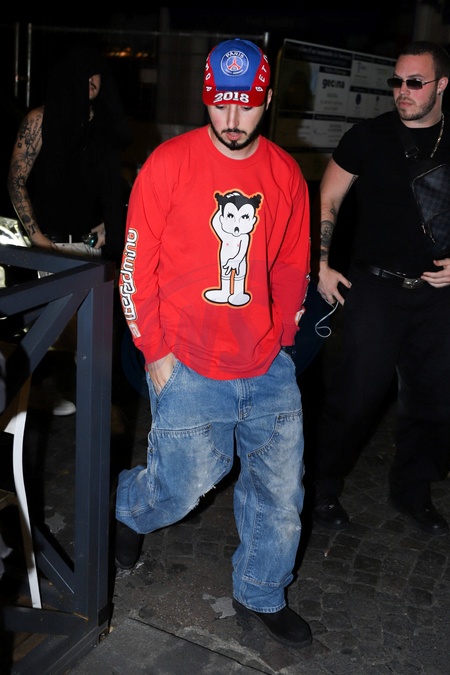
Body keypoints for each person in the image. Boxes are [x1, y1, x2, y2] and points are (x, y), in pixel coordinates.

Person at [115, 39, 312, 649]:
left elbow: (292, 264)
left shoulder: (285, 174)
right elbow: (133, 269)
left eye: (246, 105)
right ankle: (129, 508)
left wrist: (284, 341)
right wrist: (156, 354)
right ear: (205, 98)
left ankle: (261, 590)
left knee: (280, 495)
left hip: (267, 364)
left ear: (267, 101)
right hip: (188, 363)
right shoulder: (168, 164)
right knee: (180, 488)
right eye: (220, 104)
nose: (231, 118)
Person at [312, 40, 450, 537]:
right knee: (355, 396)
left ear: (442, 85)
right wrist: (321, 262)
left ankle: (413, 490)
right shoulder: (368, 136)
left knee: (434, 401)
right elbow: (328, 195)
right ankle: (322, 486)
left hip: (438, 296)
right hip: (375, 288)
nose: (402, 91)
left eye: (415, 82)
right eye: (397, 81)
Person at [7, 44, 132, 415]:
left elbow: (114, 185)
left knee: (91, 337)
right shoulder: (39, 120)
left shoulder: (102, 124)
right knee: (53, 334)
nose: (91, 80)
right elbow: (16, 180)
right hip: (51, 247)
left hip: (92, 248)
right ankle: (36, 399)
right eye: (83, 72)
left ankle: (89, 410)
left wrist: (109, 225)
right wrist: (38, 239)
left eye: (96, 73)